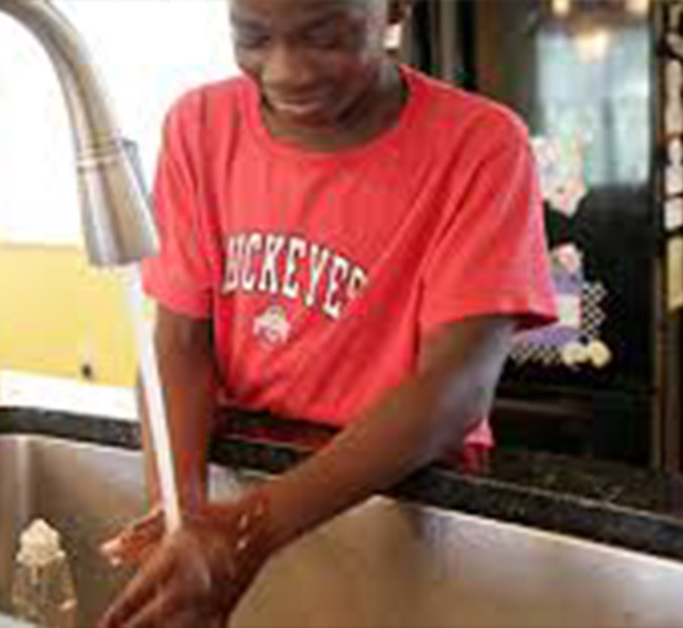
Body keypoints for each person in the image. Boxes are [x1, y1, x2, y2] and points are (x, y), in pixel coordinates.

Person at [98, 1, 558, 626]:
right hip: (250, 482)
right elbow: (179, 341)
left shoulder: (481, 146)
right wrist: (180, 515)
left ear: (395, 8)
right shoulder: (199, 127)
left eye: (326, 37)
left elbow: (456, 389)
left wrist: (248, 532)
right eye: (252, 37)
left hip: (407, 504)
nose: (286, 71)